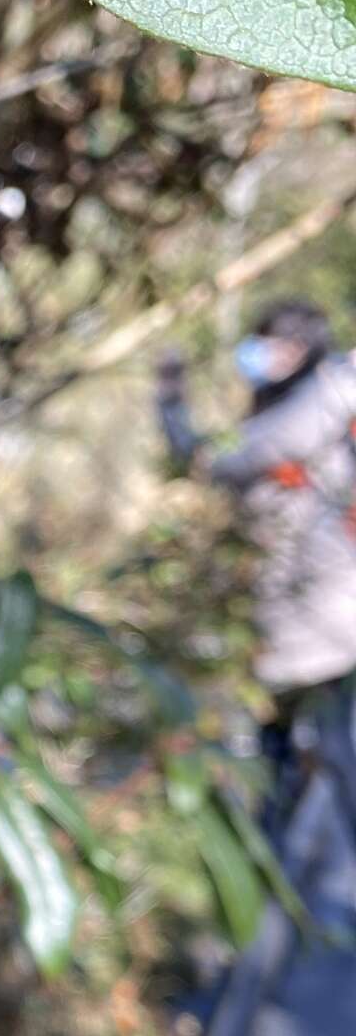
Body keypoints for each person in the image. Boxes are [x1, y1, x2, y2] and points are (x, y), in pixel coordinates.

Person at [157, 298, 356, 820]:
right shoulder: (283, 412)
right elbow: (207, 459)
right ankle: (286, 893)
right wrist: (170, 398)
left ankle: (310, 895)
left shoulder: (322, 401)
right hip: (286, 642)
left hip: (330, 638)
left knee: (329, 778)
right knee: (287, 777)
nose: (259, 354)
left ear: (298, 348)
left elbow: (220, 460)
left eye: (271, 343)